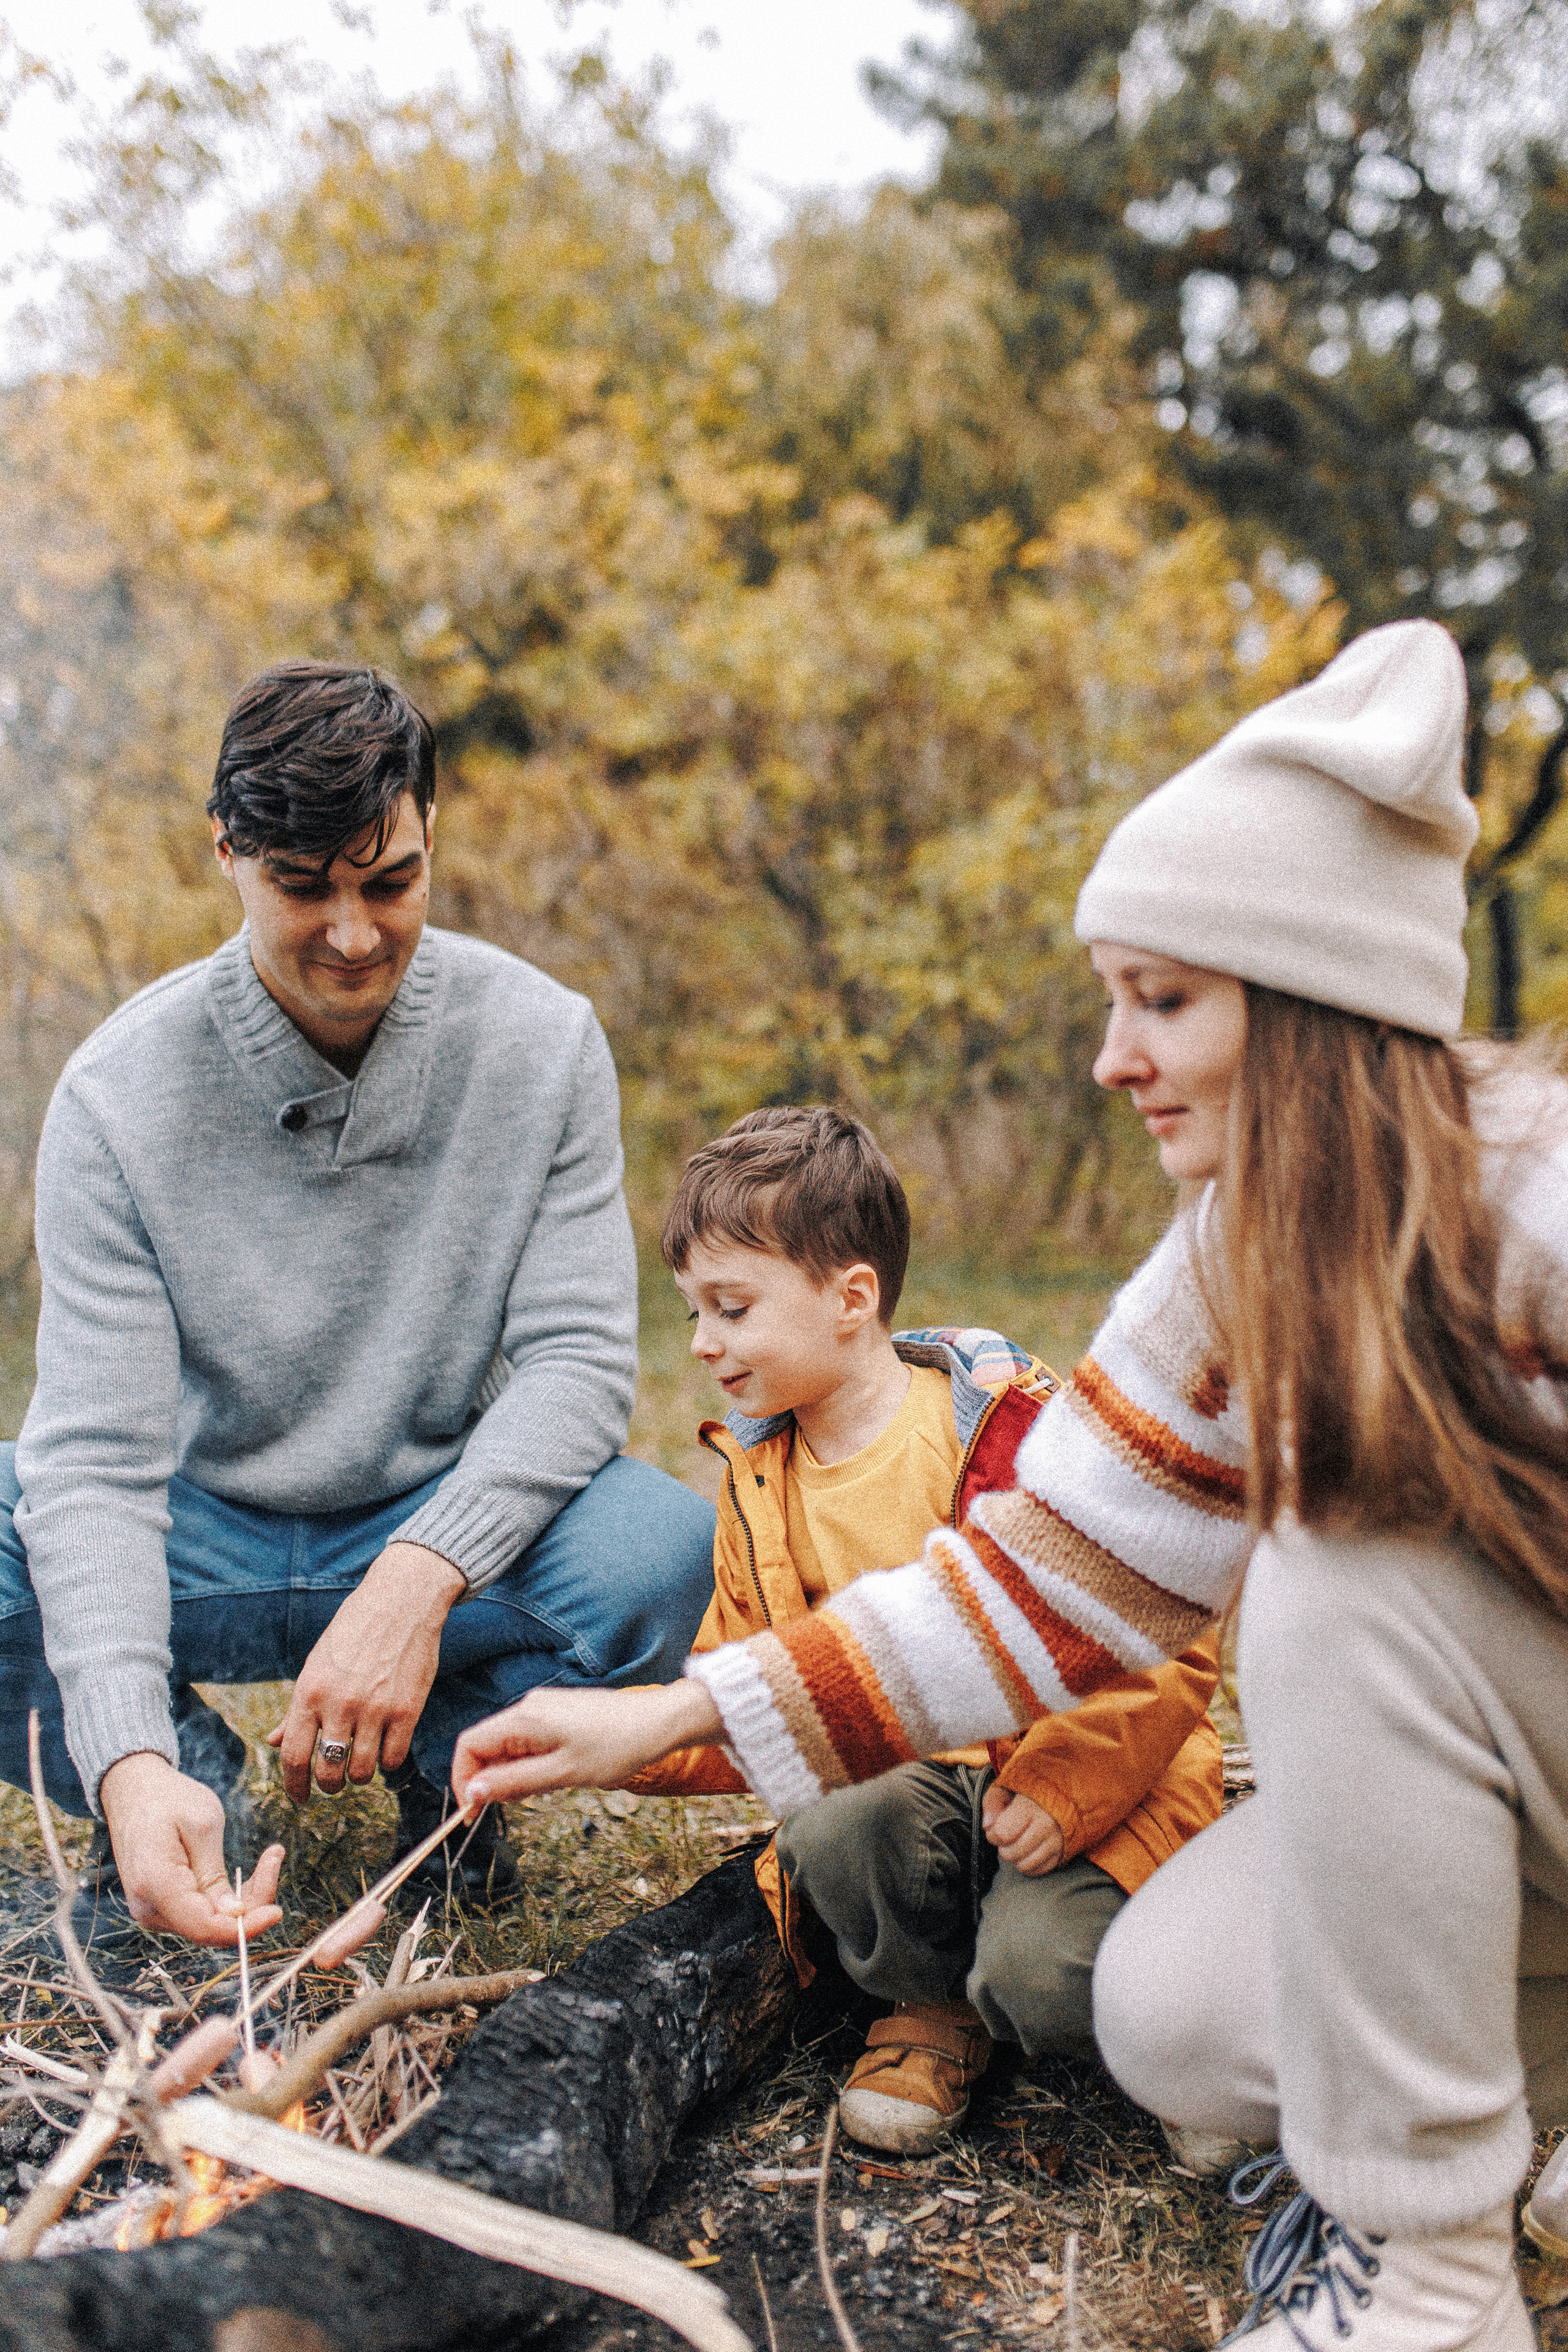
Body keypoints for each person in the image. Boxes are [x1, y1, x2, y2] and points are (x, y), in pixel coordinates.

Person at [451, 619, 1567, 2351]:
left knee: (1342, 1582)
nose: (1114, 1059)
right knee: (1176, 2012)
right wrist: (667, 1715)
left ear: (1322, 1003)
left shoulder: (1540, 1210)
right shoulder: (1228, 1266)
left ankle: (1430, 2277)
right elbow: (1040, 1584)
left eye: (1166, 1000)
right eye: (1114, 998)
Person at [1, 659, 715, 1950]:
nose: (351, 932)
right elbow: (96, 1463)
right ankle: (185, 1790)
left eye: (389, 882)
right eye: (302, 887)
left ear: (432, 836)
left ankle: (449, 1793)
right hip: (198, 1527)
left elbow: (575, 1366)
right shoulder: (115, 1094)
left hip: (422, 1515)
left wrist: (416, 1580)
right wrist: (123, 1759)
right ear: (225, 851)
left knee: (653, 1552)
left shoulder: (544, 1044)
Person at [620, 1104, 1222, 2155]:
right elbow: (749, 1682)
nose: (704, 1345)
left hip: (1079, 1775)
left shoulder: (1007, 1430)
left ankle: (1200, 2035)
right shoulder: (761, 1480)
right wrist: (624, 1741)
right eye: (692, 1316)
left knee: (1044, 1977)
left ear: (852, 1297)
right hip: (920, 1799)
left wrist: (1063, 1782)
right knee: (833, 1815)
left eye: (731, 1309)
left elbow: (1155, 1641)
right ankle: (928, 2004)